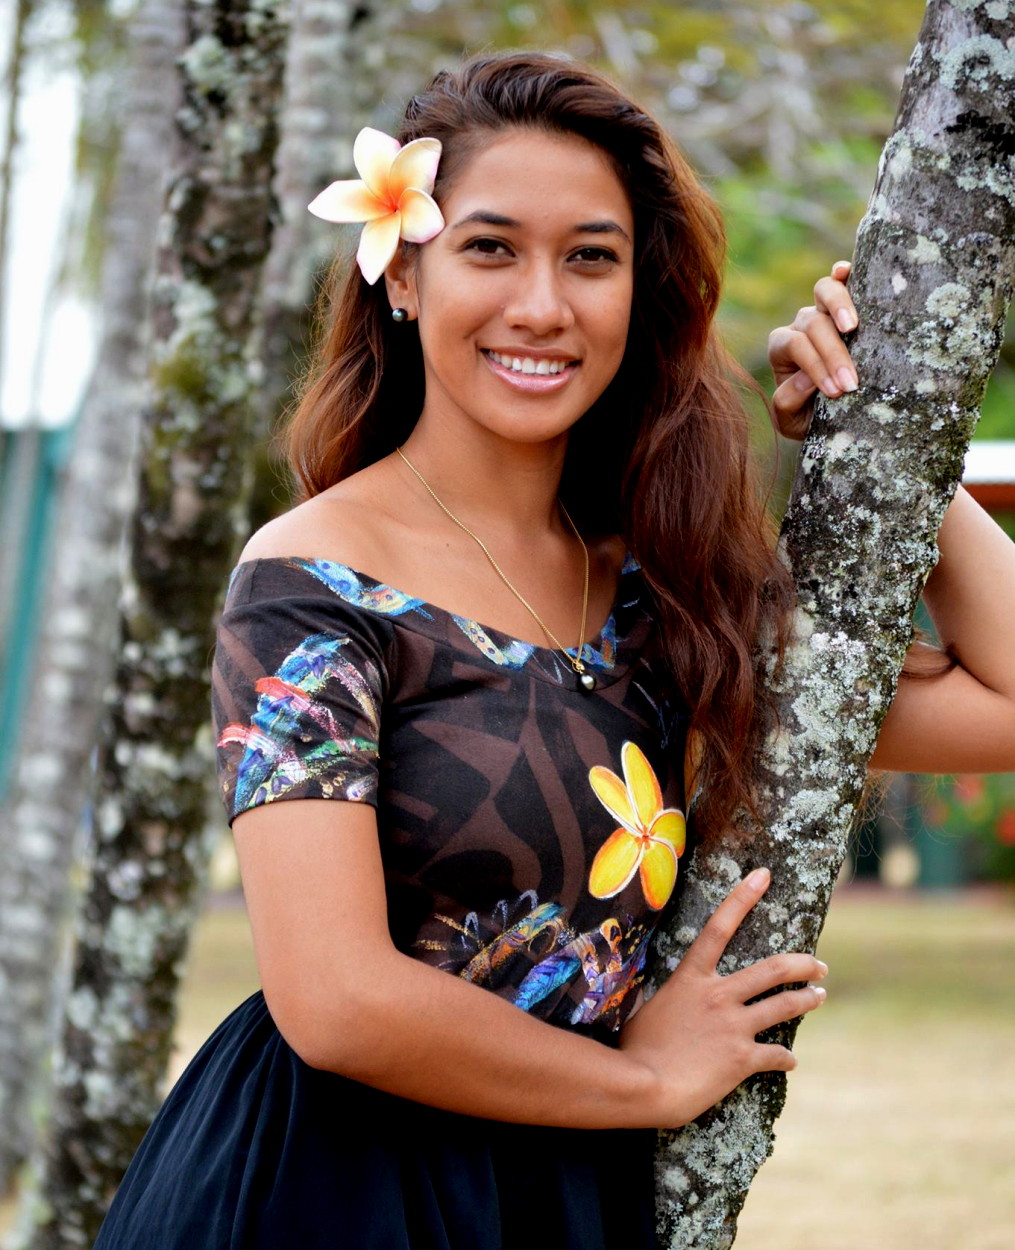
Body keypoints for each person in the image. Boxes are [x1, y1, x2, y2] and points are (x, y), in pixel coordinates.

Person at [92, 51, 1015, 1250]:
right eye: (489, 248)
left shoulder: (666, 592)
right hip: (325, 1190)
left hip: (556, 1200)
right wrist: (644, 1082)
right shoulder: (309, 582)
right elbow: (334, 998)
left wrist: (881, 429)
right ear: (403, 275)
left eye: (590, 256)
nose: (542, 303)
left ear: (640, 293)